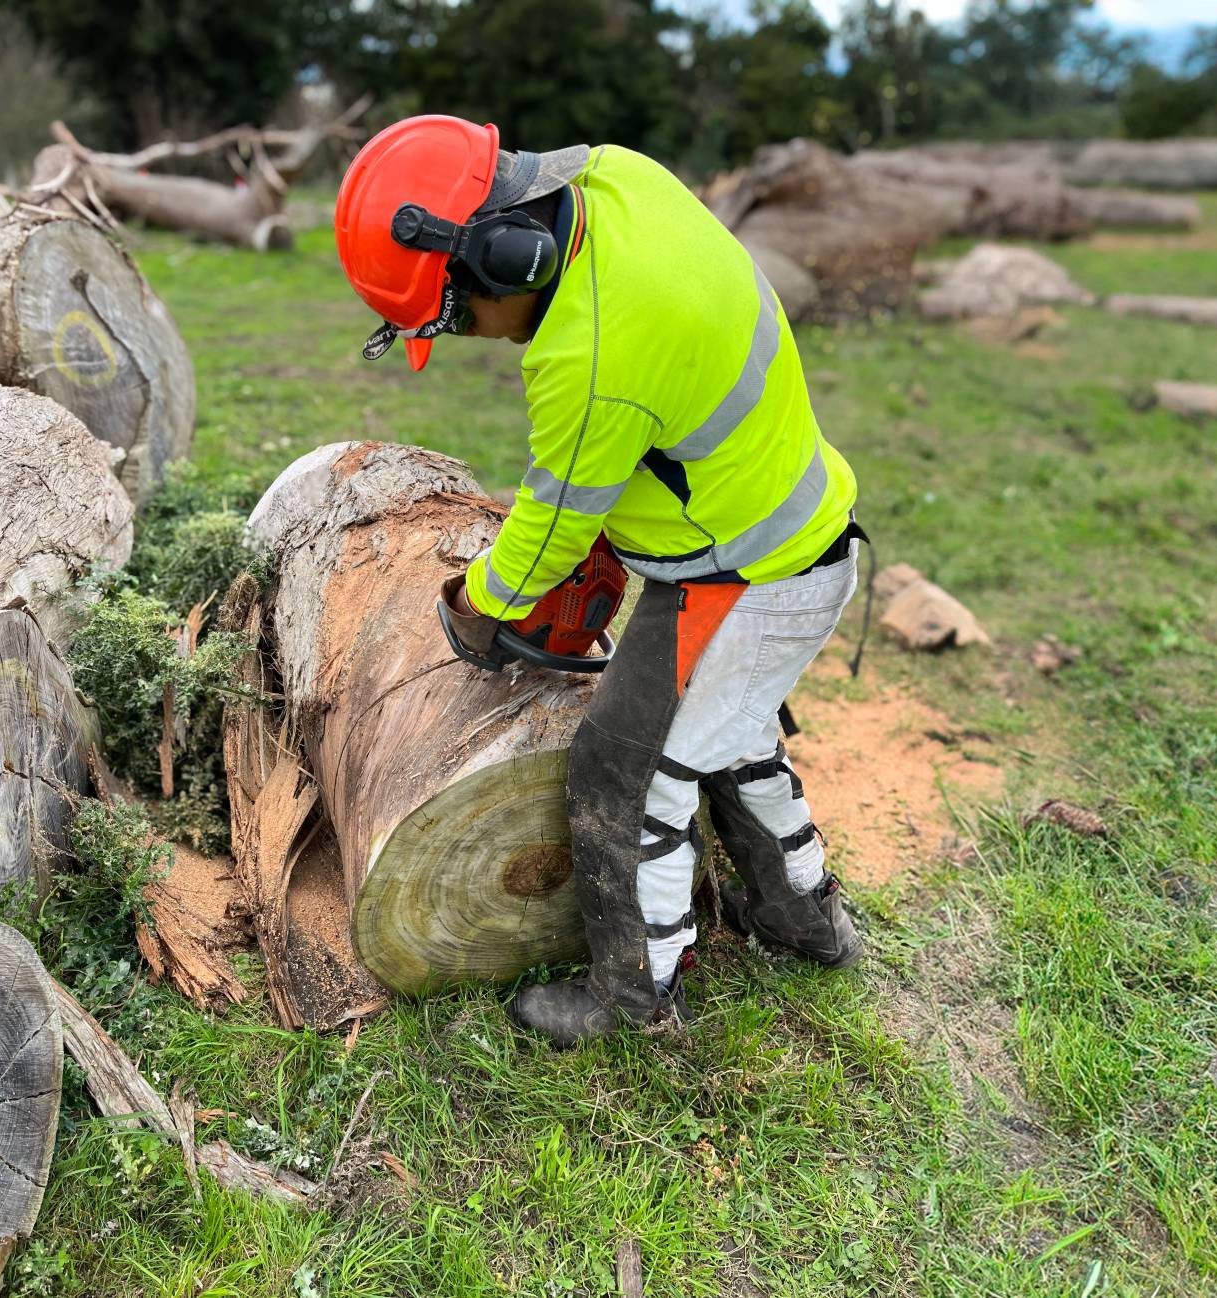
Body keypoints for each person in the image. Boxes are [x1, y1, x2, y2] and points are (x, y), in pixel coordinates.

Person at [333, 116, 865, 1048]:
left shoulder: (590, 359)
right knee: (726, 736)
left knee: (626, 767)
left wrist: (481, 603)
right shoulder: (623, 180)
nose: (468, 335)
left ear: (503, 257)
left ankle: (635, 1004)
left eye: (454, 314)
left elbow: (551, 526)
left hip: (748, 572)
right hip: (778, 521)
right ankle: (803, 919)